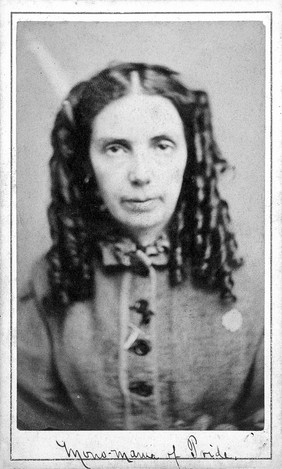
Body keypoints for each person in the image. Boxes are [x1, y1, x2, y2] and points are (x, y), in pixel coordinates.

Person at [17, 62, 264, 431]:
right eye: (116, 148)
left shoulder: (256, 279)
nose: (141, 174)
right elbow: (30, 430)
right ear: (87, 161)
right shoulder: (48, 281)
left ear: (189, 156)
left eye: (162, 145)